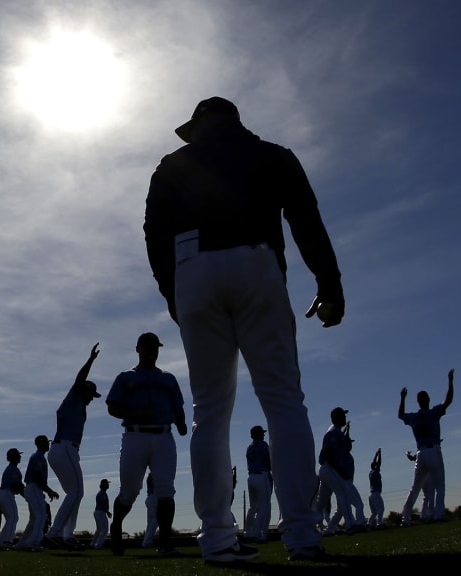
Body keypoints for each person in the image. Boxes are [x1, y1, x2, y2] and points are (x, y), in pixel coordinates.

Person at [144, 96, 344, 563]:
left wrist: (173, 292)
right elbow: (306, 220)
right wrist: (329, 283)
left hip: (192, 269)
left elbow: (154, 233)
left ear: (199, 126)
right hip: (256, 261)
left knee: (210, 410)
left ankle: (216, 537)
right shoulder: (274, 155)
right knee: (282, 399)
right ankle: (302, 534)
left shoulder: (172, 164)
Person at [106, 332, 188, 557]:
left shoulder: (168, 378)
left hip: (164, 436)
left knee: (166, 490)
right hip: (135, 436)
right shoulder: (126, 377)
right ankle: (116, 528)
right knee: (129, 492)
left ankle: (165, 543)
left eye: (155, 347)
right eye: (148, 347)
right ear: (138, 349)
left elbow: (178, 406)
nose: (152, 351)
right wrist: (135, 412)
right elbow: (112, 407)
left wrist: (181, 424)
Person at [45, 343, 102, 551]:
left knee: (75, 493)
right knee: (76, 492)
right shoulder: (73, 399)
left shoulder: (80, 405)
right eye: (91, 395)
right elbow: (79, 381)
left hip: (66, 450)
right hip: (65, 448)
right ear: (83, 391)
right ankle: (55, 533)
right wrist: (90, 360)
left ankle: (67, 535)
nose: (92, 399)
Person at [398, 369, 455, 526]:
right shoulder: (433, 413)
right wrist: (450, 381)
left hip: (420, 453)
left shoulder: (414, 417)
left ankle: (405, 519)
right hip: (433, 451)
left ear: (418, 402)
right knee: (440, 485)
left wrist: (402, 398)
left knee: (415, 489)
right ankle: (438, 515)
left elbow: (400, 414)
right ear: (428, 399)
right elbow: (448, 400)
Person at [317, 408, 366, 534]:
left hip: (328, 470)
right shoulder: (332, 432)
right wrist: (340, 471)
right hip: (329, 468)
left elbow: (343, 447)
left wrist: (346, 435)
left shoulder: (337, 432)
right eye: (342, 416)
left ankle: (308, 525)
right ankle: (350, 524)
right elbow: (327, 453)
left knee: (320, 504)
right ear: (335, 418)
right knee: (342, 493)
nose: (344, 418)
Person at [14, 435, 60, 551]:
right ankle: (34, 542)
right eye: (46, 442)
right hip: (34, 487)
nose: (48, 444)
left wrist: (47, 490)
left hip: (33, 488)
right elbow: (38, 478)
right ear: (40, 444)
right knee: (41, 515)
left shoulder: (39, 457)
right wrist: (49, 491)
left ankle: (22, 544)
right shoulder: (38, 457)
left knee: (34, 518)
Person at [244, 425, 272, 543]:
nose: (263, 435)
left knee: (253, 507)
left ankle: (248, 533)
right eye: (262, 433)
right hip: (262, 475)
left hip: (251, 476)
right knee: (265, 506)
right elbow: (268, 459)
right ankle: (258, 533)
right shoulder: (263, 445)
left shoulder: (249, 447)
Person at [0, 448, 25, 551]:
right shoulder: (13, 469)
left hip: (3, 493)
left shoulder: (12, 468)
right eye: (18, 455)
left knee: (11, 518)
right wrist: (28, 497)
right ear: (13, 457)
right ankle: (7, 541)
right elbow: (18, 485)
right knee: (13, 517)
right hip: (6, 493)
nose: (20, 457)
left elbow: (19, 486)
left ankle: (1, 542)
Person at [91, 478, 112, 549]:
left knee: (99, 529)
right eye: (107, 484)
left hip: (98, 512)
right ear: (104, 485)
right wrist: (107, 512)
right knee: (105, 529)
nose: (108, 485)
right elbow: (102, 504)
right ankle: (98, 545)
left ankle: (93, 544)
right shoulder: (102, 493)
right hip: (100, 512)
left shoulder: (101, 493)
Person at [367, 449, 384, 528]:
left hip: (371, 495)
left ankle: (369, 524)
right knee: (381, 509)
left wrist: (376, 455)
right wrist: (379, 455)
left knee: (374, 512)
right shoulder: (375, 472)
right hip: (376, 494)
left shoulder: (370, 472)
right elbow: (379, 463)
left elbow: (374, 463)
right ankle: (379, 524)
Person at [141, 473, 157, 548]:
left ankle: (146, 541)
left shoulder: (150, 475)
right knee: (156, 520)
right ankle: (147, 541)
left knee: (150, 522)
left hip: (150, 497)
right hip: (154, 497)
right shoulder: (154, 474)